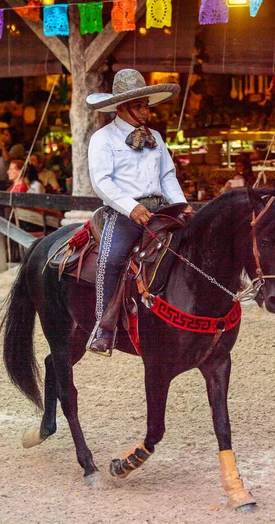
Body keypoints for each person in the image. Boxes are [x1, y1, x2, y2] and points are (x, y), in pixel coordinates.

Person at [86, 68, 193, 356]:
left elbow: (167, 175)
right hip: (124, 212)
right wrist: (132, 207)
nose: (145, 111)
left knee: (189, 249)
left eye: (146, 105)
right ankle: (104, 328)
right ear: (121, 107)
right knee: (111, 260)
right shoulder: (103, 138)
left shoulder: (155, 137)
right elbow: (101, 181)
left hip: (161, 209)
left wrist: (181, 205)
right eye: (139, 105)